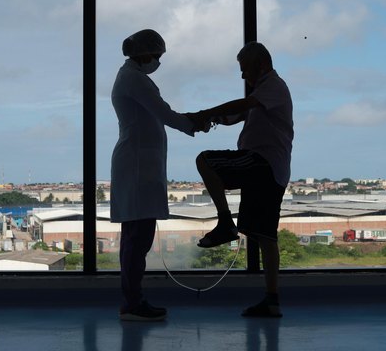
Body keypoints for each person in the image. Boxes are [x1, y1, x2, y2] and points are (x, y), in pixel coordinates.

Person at [190, 41, 293, 318]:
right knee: (265, 236)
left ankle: (225, 222)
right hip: (274, 171)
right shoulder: (265, 93)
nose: (242, 75)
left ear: (260, 65)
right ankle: (272, 300)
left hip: (261, 162)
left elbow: (244, 105)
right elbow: (240, 114)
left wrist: (205, 114)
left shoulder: (273, 86)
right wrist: (214, 119)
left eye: (244, 68)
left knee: (205, 161)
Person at [110, 28, 198, 322]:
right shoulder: (135, 80)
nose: (158, 62)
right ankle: (133, 303)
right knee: (137, 238)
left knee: (135, 238)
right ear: (144, 54)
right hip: (137, 168)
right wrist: (195, 123)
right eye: (157, 56)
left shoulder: (130, 77)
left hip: (138, 165)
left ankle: (132, 300)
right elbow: (165, 114)